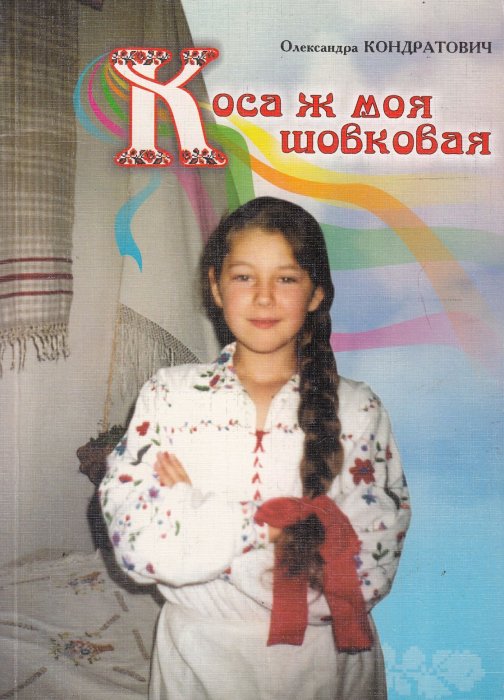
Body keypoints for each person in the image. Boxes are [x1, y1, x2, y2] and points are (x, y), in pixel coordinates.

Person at [99, 197, 411, 699]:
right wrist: (278, 527)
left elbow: (364, 575)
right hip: (200, 662)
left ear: (316, 293)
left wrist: (197, 514)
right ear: (215, 286)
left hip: (328, 665)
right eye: (244, 277)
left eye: (285, 278)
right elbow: (141, 550)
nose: (264, 298)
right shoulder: (170, 396)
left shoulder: (359, 409)